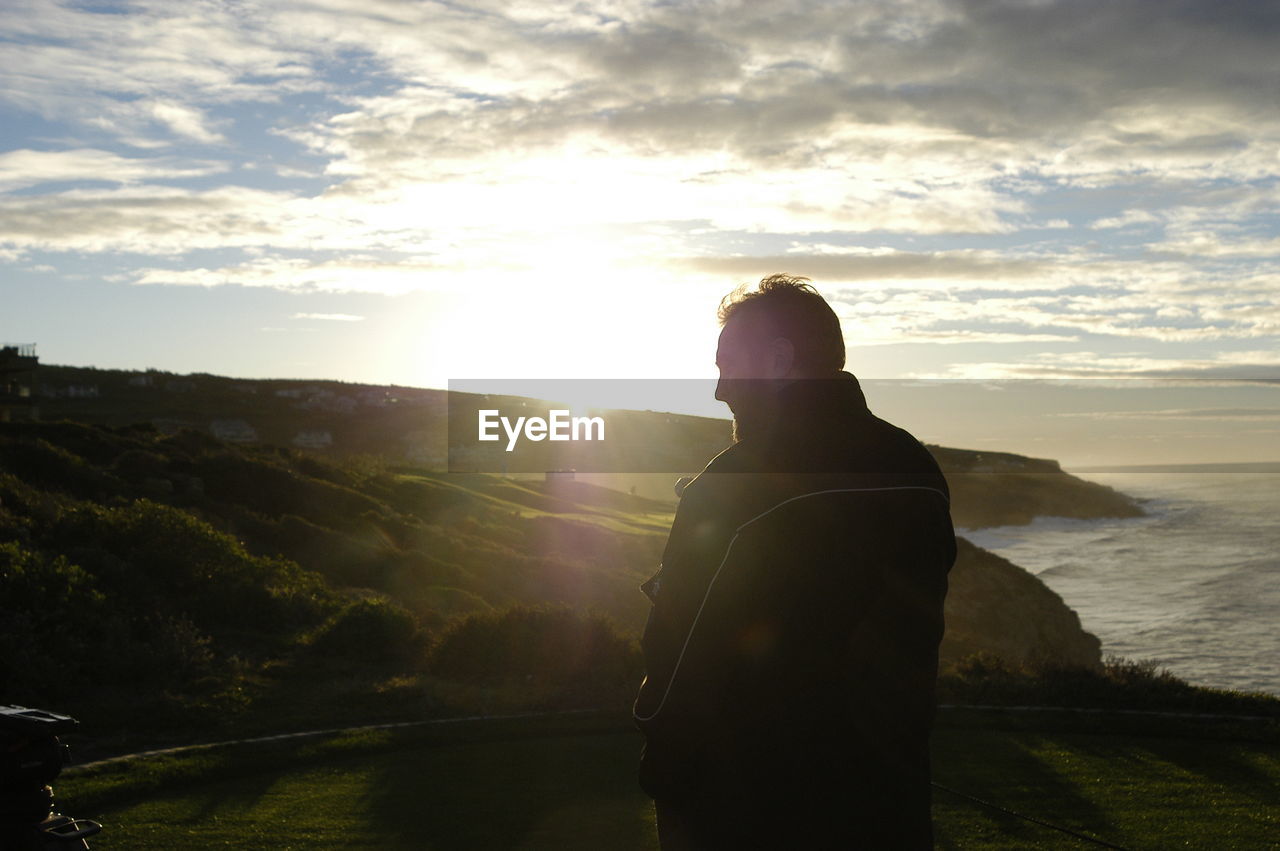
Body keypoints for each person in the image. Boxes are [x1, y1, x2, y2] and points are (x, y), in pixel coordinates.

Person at [633, 274, 956, 849]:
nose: (719, 390)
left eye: (729, 365)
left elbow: (676, 652)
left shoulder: (734, 485)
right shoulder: (915, 468)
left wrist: (665, 772)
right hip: (887, 795)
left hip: (748, 803)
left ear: (779, 361)